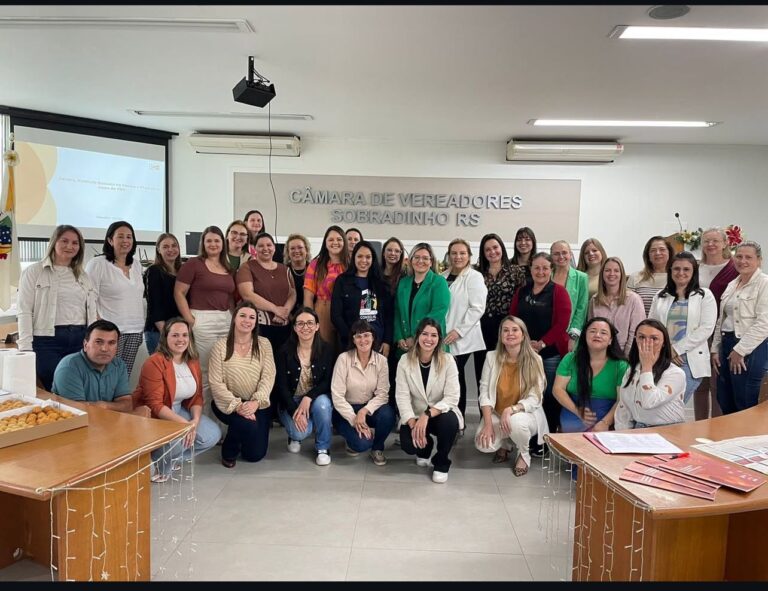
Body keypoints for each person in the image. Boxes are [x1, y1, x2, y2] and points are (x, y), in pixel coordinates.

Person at [132, 318, 221, 482]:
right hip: (156, 414)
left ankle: (170, 459)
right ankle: (157, 461)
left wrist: (194, 421)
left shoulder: (192, 361)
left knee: (212, 435)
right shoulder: (154, 362)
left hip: (179, 409)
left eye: (184, 335)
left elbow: (197, 396)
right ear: (165, 337)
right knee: (180, 439)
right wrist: (184, 425)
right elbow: (155, 404)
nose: (181, 339)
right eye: (175, 335)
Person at [17, 225, 98, 391]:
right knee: (55, 388)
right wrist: (25, 348)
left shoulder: (83, 276)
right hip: (47, 340)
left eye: (75, 243)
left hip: (80, 339)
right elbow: (24, 311)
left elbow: (91, 310)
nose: (70, 246)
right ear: (54, 242)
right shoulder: (34, 271)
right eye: (64, 241)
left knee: (77, 387)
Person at [474, 315, 548, 476]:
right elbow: (484, 393)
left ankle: (523, 454)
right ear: (501, 335)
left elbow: (535, 398)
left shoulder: (535, 359)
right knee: (484, 444)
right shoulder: (491, 357)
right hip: (497, 412)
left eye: (515, 330)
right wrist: (488, 424)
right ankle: (504, 445)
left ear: (523, 335)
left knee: (516, 423)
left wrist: (512, 409)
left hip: (524, 414)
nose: (510, 334)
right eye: (505, 330)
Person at [174, 226, 235, 420]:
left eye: (217, 240)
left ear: (222, 243)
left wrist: (233, 317)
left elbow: (230, 297)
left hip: (225, 320)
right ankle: (204, 420)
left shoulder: (227, 267)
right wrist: (190, 320)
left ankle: (222, 421)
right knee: (206, 372)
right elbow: (179, 293)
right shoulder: (194, 264)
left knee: (224, 371)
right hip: (203, 320)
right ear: (203, 243)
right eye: (209, 241)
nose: (213, 244)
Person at [508, 252, 571, 436]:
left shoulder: (559, 292)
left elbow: (562, 324)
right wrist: (523, 342)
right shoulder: (522, 291)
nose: (540, 272)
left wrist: (542, 343)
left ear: (551, 270)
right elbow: (512, 317)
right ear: (531, 269)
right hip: (524, 352)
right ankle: (528, 435)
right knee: (526, 395)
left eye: (545, 268)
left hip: (550, 354)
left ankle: (548, 436)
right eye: (536, 268)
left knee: (548, 396)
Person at [395, 318, 462, 483]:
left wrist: (427, 415)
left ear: (439, 339)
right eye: (425, 334)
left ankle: (441, 461)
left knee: (449, 422)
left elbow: (452, 397)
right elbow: (402, 397)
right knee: (409, 445)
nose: (429, 339)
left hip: (440, 414)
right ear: (418, 336)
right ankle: (425, 448)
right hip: (415, 414)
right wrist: (413, 424)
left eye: (434, 335)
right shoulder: (404, 361)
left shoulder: (448, 360)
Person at [209, 302, 275, 468]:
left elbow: (268, 376)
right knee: (246, 424)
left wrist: (256, 402)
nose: (247, 320)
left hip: (257, 403)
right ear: (234, 319)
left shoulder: (264, 344)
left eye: (252, 317)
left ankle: (241, 435)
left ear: (256, 322)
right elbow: (216, 383)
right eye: (242, 316)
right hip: (228, 403)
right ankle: (229, 451)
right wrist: (238, 406)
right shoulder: (220, 346)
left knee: (254, 455)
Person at [648, 252, 717, 407]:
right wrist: (667, 351)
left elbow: (706, 328)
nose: (681, 273)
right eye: (676, 269)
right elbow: (652, 327)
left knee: (671, 406)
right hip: (662, 357)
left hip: (688, 360)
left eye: (686, 269)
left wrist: (676, 349)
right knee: (657, 405)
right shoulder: (660, 296)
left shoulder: (704, 295)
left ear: (694, 272)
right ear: (670, 271)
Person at [711, 241, 768, 415]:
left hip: (750, 347)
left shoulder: (764, 283)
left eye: (748, 257)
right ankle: (730, 434)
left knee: (745, 400)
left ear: (759, 260)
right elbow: (722, 319)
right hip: (726, 343)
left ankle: (750, 434)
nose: (743, 261)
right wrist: (715, 348)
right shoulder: (732, 284)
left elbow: (764, 323)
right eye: (739, 256)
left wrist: (740, 350)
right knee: (724, 397)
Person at [331, 319, 396, 465]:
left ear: (373, 337)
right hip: (345, 411)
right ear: (353, 340)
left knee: (388, 414)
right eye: (358, 336)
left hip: (368, 409)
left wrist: (363, 412)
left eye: (366, 335)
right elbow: (337, 396)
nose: (363, 340)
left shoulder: (381, 361)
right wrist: (354, 419)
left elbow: (383, 394)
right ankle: (353, 438)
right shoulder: (343, 359)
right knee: (361, 444)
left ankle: (377, 448)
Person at [274, 308, 335, 466]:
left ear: (317, 326)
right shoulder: (283, 352)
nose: (305, 327)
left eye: (309, 323)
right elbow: (281, 386)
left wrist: (308, 397)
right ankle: (295, 436)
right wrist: (294, 410)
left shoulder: (327, 350)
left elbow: (328, 381)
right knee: (300, 433)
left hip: (315, 398)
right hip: (291, 400)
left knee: (323, 405)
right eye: (300, 323)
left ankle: (323, 448)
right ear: (294, 328)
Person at [85, 221, 145, 378]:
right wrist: (98, 325)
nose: (125, 240)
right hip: (110, 333)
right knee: (105, 375)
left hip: (135, 330)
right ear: (110, 240)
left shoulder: (136, 265)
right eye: (120, 236)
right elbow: (88, 297)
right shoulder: (98, 264)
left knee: (124, 375)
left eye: (129, 237)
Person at [52, 320, 148, 416]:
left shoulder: (119, 365)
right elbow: (78, 411)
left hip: (107, 421)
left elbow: (126, 405)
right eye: (98, 342)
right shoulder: (69, 366)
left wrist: (103, 406)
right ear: (85, 345)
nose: (104, 349)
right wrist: (117, 408)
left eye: (111, 343)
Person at [553, 317, 629, 433]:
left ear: (610, 340)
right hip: (572, 414)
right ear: (585, 336)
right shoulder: (570, 359)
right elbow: (558, 389)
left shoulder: (621, 366)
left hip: (608, 419)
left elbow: (622, 400)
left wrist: (605, 423)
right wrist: (577, 411)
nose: (597, 335)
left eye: (603, 333)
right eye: (593, 331)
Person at [693, 227, 738, 419]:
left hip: (721, 331)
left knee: (717, 382)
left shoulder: (734, 268)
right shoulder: (696, 268)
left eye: (715, 241)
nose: (710, 245)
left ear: (725, 243)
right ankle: (699, 425)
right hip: (697, 330)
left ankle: (717, 427)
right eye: (706, 241)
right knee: (699, 382)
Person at [474, 233, 527, 392]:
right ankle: (485, 407)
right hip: (482, 328)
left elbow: (522, 301)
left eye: (495, 247)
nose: (492, 252)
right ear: (483, 253)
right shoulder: (477, 273)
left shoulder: (516, 271)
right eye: (487, 249)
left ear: (502, 248)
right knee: (483, 372)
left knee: (506, 373)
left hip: (507, 327)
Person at [442, 238, 487, 418]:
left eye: (462, 253)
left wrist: (459, 331)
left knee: (457, 378)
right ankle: (450, 416)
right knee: (449, 379)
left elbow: (477, 308)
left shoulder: (474, 277)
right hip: (444, 335)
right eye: (454, 253)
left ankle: (458, 420)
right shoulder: (441, 276)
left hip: (464, 336)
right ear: (449, 255)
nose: (458, 257)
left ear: (469, 256)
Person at [614, 319, 686, 430]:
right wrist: (621, 435)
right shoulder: (631, 370)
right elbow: (624, 409)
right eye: (641, 337)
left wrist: (647, 367)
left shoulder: (675, 373)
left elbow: (649, 402)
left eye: (654, 338)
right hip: (639, 428)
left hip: (668, 429)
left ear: (663, 343)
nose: (647, 343)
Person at [236, 232, 296, 356]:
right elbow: (247, 294)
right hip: (259, 326)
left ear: (274, 247)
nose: (265, 248)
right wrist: (275, 309)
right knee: (260, 360)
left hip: (284, 325)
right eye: (261, 246)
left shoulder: (285, 269)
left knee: (282, 361)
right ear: (255, 248)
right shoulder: (247, 267)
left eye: (269, 245)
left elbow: (292, 294)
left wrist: (284, 312)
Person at [331, 240, 393, 354]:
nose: (364, 260)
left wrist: (387, 341)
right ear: (353, 258)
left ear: (373, 259)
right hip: (351, 343)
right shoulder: (342, 281)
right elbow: (336, 315)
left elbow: (389, 316)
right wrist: (351, 338)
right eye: (360, 256)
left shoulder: (382, 283)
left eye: (368, 257)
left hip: (378, 343)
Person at [393, 242, 451, 360]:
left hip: (430, 344)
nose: (420, 261)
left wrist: (416, 336)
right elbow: (397, 312)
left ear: (431, 262)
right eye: (417, 257)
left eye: (425, 258)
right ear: (411, 260)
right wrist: (399, 337)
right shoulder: (403, 283)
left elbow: (438, 312)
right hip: (405, 347)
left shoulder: (439, 282)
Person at [588, 257, 646, 355]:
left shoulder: (634, 299)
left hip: (624, 354)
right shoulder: (594, 300)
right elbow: (591, 330)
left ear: (621, 274)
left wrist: (626, 357)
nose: (612, 274)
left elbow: (636, 333)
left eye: (616, 271)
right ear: (602, 274)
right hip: (599, 354)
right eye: (607, 270)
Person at [304, 225, 348, 348]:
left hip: (346, 311)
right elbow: (308, 297)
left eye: (339, 239)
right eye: (331, 239)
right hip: (323, 310)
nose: (335, 242)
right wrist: (309, 320)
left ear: (344, 242)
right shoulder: (315, 264)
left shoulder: (351, 264)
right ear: (325, 243)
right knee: (324, 349)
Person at [143, 232, 182, 355]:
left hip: (178, 331)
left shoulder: (182, 271)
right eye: (165, 247)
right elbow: (155, 306)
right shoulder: (154, 271)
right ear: (158, 250)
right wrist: (167, 334)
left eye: (174, 245)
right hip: (159, 332)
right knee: (161, 367)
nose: (170, 249)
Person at [551, 240, 589, 351]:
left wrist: (573, 337)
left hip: (569, 335)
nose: (561, 256)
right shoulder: (546, 275)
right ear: (551, 256)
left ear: (570, 254)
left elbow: (581, 309)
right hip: (547, 333)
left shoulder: (581, 278)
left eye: (564, 252)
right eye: (556, 254)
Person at [627, 236, 674, 316]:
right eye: (653, 250)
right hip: (640, 323)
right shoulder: (635, 277)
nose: (658, 253)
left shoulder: (676, 277)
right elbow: (627, 307)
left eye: (662, 249)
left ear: (669, 253)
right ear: (648, 256)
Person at [284, 233, 312, 319]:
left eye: (300, 247)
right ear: (288, 252)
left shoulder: (314, 270)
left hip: (310, 316)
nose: (296, 251)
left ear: (306, 250)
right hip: (287, 317)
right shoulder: (282, 271)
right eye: (292, 248)